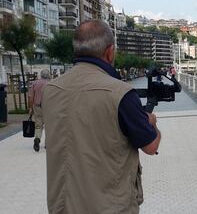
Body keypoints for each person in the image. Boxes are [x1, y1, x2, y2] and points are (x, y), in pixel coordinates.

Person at [42, 20, 161, 213]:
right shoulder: (120, 92)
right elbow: (151, 146)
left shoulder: (52, 89)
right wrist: (152, 122)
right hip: (109, 206)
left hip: (62, 205)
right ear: (110, 51)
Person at [28, 69, 50, 152]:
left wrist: (30, 108)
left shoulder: (34, 83)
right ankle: (47, 143)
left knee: (38, 125)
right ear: (48, 75)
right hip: (48, 107)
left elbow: (30, 97)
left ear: (41, 75)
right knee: (49, 125)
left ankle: (37, 138)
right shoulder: (50, 84)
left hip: (37, 106)